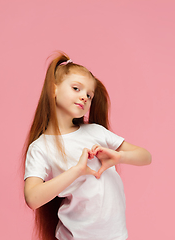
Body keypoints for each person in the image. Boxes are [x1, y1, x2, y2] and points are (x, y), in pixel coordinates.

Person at [22, 51, 152, 240]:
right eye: (76, 88)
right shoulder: (41, 147)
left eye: (89, 95)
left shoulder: (96, 132)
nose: (84, 97)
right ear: (53, 89)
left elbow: (146, 156)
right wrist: (77, 170)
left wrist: (120, 157)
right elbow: (32, 198)